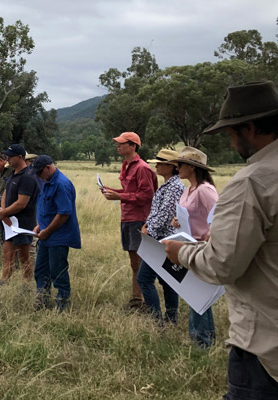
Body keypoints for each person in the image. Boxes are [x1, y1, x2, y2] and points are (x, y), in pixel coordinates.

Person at [164, 81, 278, 399]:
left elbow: (222, 265)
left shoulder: (252, 181)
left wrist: (180, 253)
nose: (230, 143)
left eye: (230, 134)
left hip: (264, 348)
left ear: (250, 128)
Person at [101, 131, 157, 310]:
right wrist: (112, 190)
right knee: (134, 261)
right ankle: (137, 299)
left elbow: (146, 195)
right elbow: (129, 190)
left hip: (138, 219)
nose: (118, 146)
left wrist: (119, 196)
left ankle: (144, 301)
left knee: (140, 262)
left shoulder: (142, 168)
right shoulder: (126, 165)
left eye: (122, 143)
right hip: (127, 217)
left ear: (133, 146)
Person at [171, 146, 218, 348]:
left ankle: (201, 340)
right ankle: (206, 337)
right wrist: (176, 221)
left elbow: (218, 215)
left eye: (180, 164)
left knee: (195, 294)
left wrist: (211, 234)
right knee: (196, 294)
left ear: (192, 167)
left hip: (200, 247)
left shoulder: (205, 190)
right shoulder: (189, 189)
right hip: (188, 244)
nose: (177, 168)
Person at [136, 149, 182, 325]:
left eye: (161, 163)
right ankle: (171, 318)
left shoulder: (175, 186)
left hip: (162, 241)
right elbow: (157, 212)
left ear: (171, 166)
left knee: (144, 279)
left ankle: (158, 321)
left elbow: (165, 214)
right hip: (160, 239)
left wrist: (149, 231)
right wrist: (147, 224)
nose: (157, 165)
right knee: (167, 280)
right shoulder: (169, 184)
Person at [30, 156, 81, 311]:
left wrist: (48, 230)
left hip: (58, 237)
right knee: (40, 270)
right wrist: (40, 226)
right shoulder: (48, 182)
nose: (38, 176)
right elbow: (48, 209)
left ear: (48, 167)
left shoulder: (61, 184)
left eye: (40, 172)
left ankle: (62, 305)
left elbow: (64, 213)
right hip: (46, 236)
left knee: (58, 271)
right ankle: (43, 299)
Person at [0, 144, 38, 284]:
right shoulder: (13, 173)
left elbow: (22, 203)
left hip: (23, 223)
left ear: (20, 157)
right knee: (7, 255)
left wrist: (4, 213)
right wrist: (3, 212)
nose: (6, 158)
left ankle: (27, 284)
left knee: (24, 257)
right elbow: (5, 193)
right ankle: (4, 282)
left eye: (10, 156)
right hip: (10, 222)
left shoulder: (28, 177)